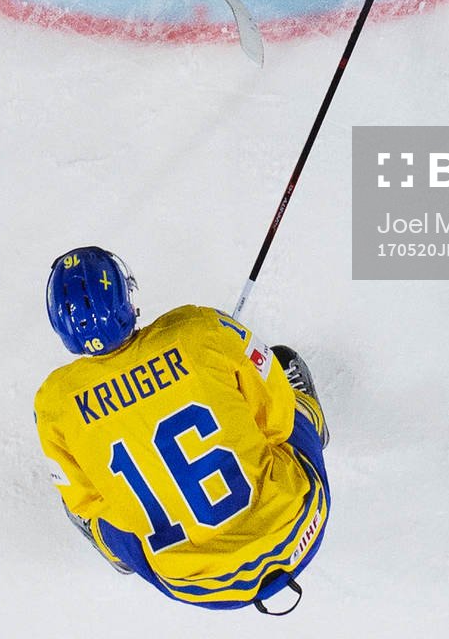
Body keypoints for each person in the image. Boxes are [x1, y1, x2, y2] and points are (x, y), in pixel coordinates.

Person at [34, 247, 332, 614]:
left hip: (199, 586)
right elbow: (275, 417)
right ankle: (315, 422)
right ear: (125, 297)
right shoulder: (197, 328)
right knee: (284, 390)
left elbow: (85, 498)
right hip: (299, 529)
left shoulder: (54, 402)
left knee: (87, 508)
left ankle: (114, 551)